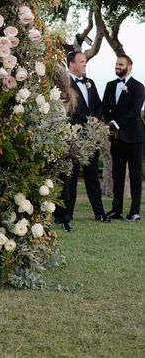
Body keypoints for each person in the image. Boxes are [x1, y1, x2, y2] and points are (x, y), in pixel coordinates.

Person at [53, 51, 109, 231]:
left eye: (85, 62)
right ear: (71, 64)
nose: (85, 64)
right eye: (82, 61)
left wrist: (96, 118)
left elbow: (99, 105)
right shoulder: (64, 84)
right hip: (72, 138)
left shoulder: (90, 83)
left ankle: (99, 213)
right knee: (70, 178)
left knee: (92, 176)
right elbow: (68, 111)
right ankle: (66, 216)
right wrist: (86, 119)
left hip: (90, 139)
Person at [103, 54, 145, 222]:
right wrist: (109, 122)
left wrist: (116, 123)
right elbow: (105, 107)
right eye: (116, 64)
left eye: (121, 64)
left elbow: (134, 111)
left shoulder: (139, 87)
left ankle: (134, 211)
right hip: (116, 138)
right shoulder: (110, 85)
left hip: (134, 138)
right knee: (117, 175)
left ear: (129, 67)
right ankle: (116, 209)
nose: (117, 66)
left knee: (135, 176)